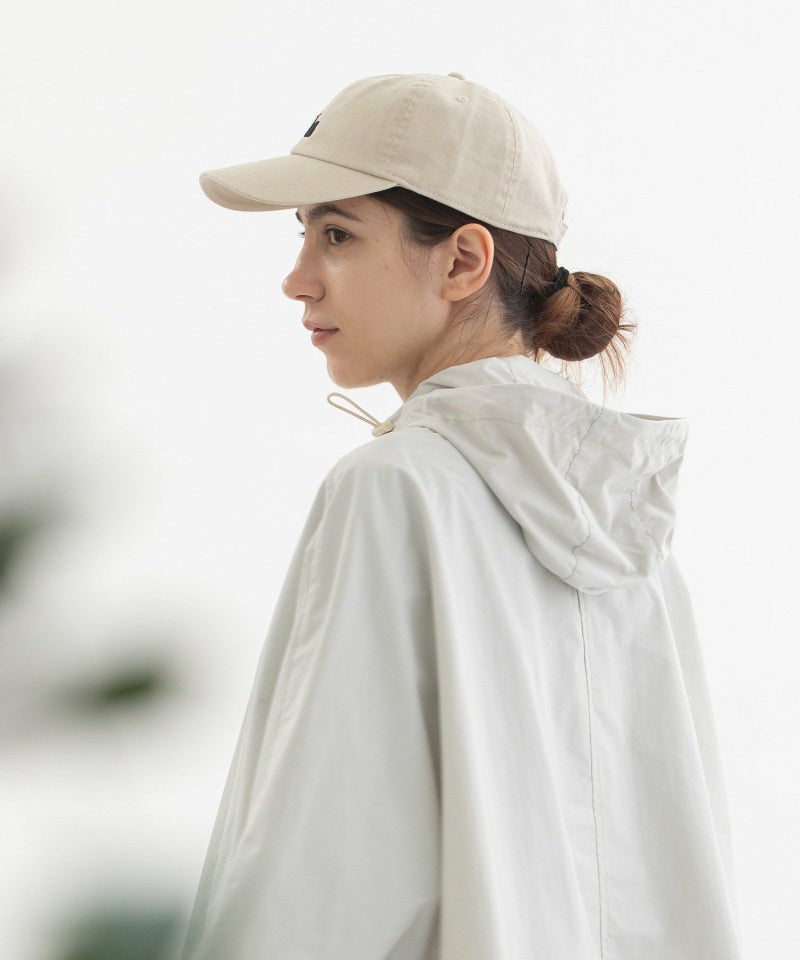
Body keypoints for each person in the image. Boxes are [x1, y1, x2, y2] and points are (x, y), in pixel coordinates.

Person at [180, 72, 743, 960]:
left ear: (462, 262)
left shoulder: (395, 490)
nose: (297, 280)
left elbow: (322, 878)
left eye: (337, 234)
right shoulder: (636, 538)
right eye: (304, 235)